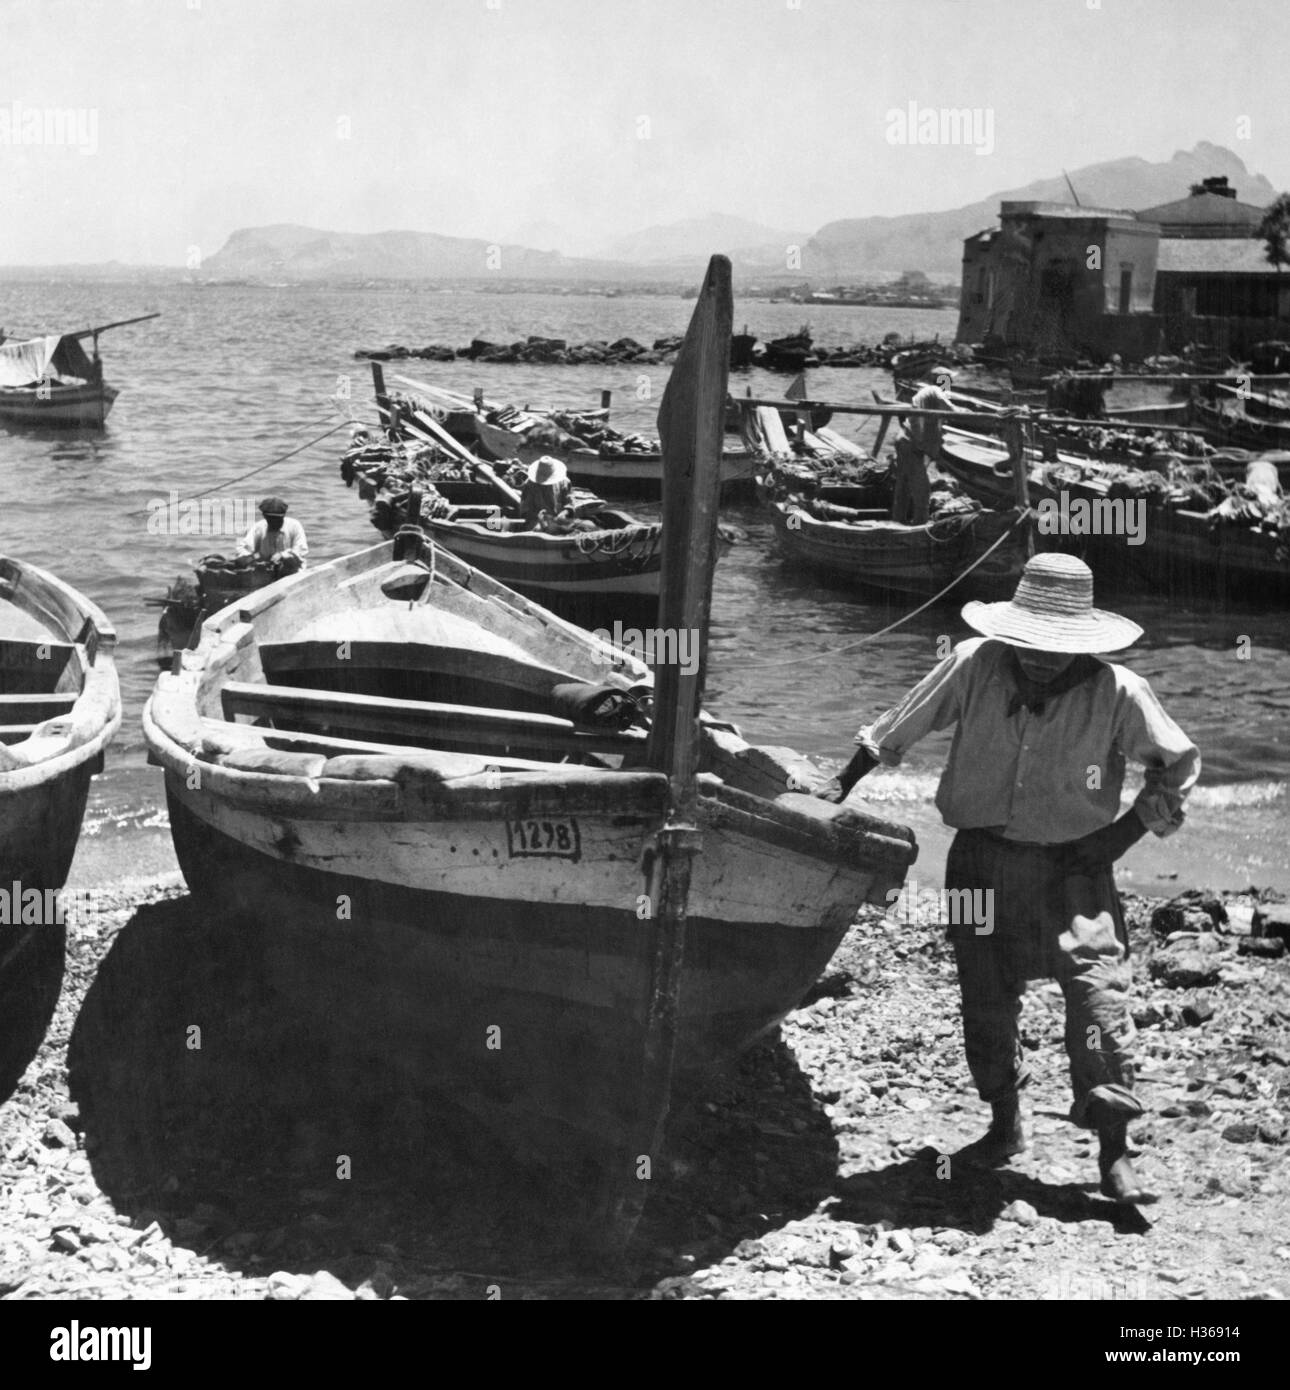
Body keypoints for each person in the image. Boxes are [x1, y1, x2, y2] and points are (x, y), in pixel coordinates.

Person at [821, 553, 1200, 1204]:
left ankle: (1115, 1149)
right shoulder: (975, 663)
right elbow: (897, 728)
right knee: (985, 997)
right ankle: (1005, 1126)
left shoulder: (1120, 693)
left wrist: (1125, 832)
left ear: (1083, 644)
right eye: (1028, 644)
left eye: (1053, 648)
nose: (1039, 658)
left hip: (1075, 867)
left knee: (1098, 999)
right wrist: (838, 784)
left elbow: (1179, 764)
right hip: (979, 858)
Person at [892, 373, 959, 524]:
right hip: (910, 444)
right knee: (922, 490)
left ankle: (897, 521)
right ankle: (920, 527)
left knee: (904, 485)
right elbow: (953, 410)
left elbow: (932, 426)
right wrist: (975, 414)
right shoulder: (935, 391)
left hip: (906, 441)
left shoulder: (928, 396)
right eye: (948, 383)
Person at [238, 497, 308, 571]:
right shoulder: (258, 528)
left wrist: (282, 555)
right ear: (265, 517)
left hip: (293, 570)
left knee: (288, 561)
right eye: (271, 520)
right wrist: (250, 558)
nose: (274, 523)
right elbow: (244, 548)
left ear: (283, 516)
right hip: (266, 570)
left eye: (278, 520)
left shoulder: (294, 526)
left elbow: (301, 550)